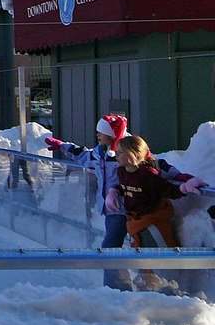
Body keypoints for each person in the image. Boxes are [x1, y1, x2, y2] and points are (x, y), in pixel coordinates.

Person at [45, 115, 196, 290]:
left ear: (111, 134)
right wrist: (63, 146)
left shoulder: (128, 149)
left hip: (132, 208)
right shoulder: (98, 153)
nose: (98, 135)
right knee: (123, 245)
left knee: (121, 246)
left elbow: (155, 164)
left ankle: (128, 287)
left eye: (101, 132)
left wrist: (179, 176)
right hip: (113, 209)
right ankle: (128, 285)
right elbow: (82, 155)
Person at [111, 135, 205, 288]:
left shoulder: (147, 174)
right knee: (142, 258)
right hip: (135, 222)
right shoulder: (122, 171)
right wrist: (113, 192)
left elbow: (166, 189)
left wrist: (184, 187)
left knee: (159, 258)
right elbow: (123, 187)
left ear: (133, 154)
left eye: (121, 152)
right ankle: (148, 288)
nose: (117, 155)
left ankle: (170, 288)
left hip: (153, 222)